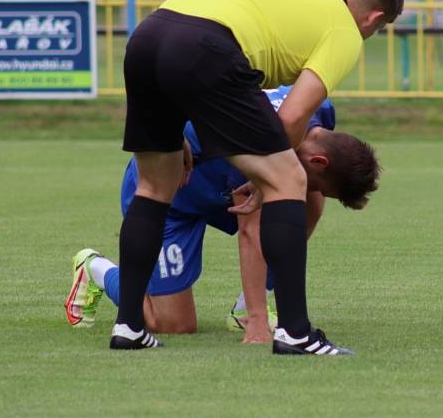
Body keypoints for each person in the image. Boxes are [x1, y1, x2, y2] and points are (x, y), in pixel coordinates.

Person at [112, 0, 403, 355]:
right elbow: (293, 117)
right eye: (378, 30)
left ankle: (129, 326)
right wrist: (270, 179)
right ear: (374, 17)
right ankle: (296, 333)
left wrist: (178, 123)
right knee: (290, 181)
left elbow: (190, 26)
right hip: (205, 47)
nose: (370, 34)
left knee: (153, 185)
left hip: (150, 35)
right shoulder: (344, 31)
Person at [65, 86, 381, 344]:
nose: (317, 189)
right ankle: (97, 269)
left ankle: (244, 306)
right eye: (325, 185)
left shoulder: (320, 108)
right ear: (320, 161)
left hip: (223, 185)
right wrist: (259, 325)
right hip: (172, 198)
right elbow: (252, 234)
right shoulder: (257, 141)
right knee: (174, 323)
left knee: (307, 198)